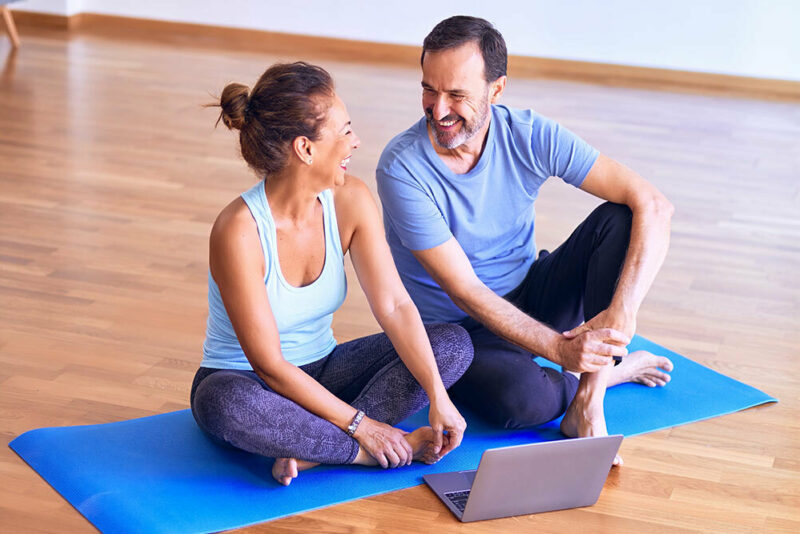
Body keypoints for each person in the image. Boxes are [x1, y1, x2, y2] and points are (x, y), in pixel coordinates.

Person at [376, 16, 675, 465]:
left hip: (532, 292)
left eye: (457, 95)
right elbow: (467, 291)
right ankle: (614, 373)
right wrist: (560, 349)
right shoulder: (401, 169)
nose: (438, 110)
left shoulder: (529, 134)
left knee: (621, 217)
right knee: (520, 404)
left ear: (496, 91)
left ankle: (588, 403)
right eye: (428, 90)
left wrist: (622, 313)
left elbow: (654, 204)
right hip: (461, 332)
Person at [191, 62, 473, 486]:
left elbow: (395, 305)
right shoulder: (239, 230)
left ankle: (311, 453)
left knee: (452, 345)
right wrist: (363, 427)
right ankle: (361, 452)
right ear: (305, 149)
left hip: (325, 370)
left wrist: (437, 395)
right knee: (224, 404)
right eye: (344, 132)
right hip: (248, 382)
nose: (355, 141)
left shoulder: (351, 201)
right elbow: (269, 366)